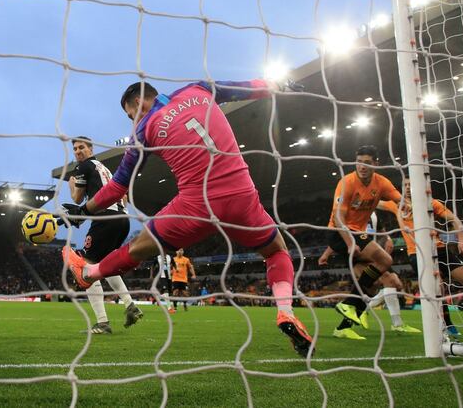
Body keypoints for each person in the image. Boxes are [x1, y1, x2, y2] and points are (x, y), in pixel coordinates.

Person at [61, 78, 314, 356]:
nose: (132, 121)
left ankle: (89, 273)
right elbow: (248, 86)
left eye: (130, 115)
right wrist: (279, 85)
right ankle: (286, 312)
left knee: (140, 246)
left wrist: (84, 211)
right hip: (242, 195)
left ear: (137, 103)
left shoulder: (144, 130)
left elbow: (119, 187)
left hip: (196, 204)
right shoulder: (199, 89)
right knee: (277, 251)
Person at [378, 179, 463, 336]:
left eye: (411, 184)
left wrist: (461, 239)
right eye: (405, 185)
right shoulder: (396, 205)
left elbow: (453, 219)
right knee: (438, 287)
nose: (408, 188)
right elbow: (374, 202)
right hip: (417, 253)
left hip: (439, 248)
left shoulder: (431, 203)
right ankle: (447, 324)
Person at [324, 145, 404, 340]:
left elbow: (399, 199)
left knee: (373, 283)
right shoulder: (347, 182)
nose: (362, 166)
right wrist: (350, 242)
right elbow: (338, 218)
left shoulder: (381, 183)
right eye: (359, 162)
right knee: (385, 260)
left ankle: (343, 327)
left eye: (367, 163)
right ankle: (346, 304)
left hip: (357, 235)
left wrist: (410, 205)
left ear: (376, 164)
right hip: (339, 232)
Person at [68, 136, 143, 334]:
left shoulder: (83, 166)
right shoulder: (105, 169)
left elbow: (76, 197)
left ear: (90, 149)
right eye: (75, 149)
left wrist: (71, 183)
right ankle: (129, 305)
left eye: (81, 147)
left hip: (105, 219)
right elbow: (124, 197)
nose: (78, 151)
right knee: (104, 267)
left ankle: (102, 323)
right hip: (122, 220)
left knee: (86, 269)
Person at [319, 211, 420, 339]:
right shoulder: (353, 210)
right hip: (356, 253)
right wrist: (326, 254)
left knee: (385, 284)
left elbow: (381, 232)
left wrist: (388, 239)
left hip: (371, 253)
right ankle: (395, 323)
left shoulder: (373, 214)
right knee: (383, 282)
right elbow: (340, 231)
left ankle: (349, 323)